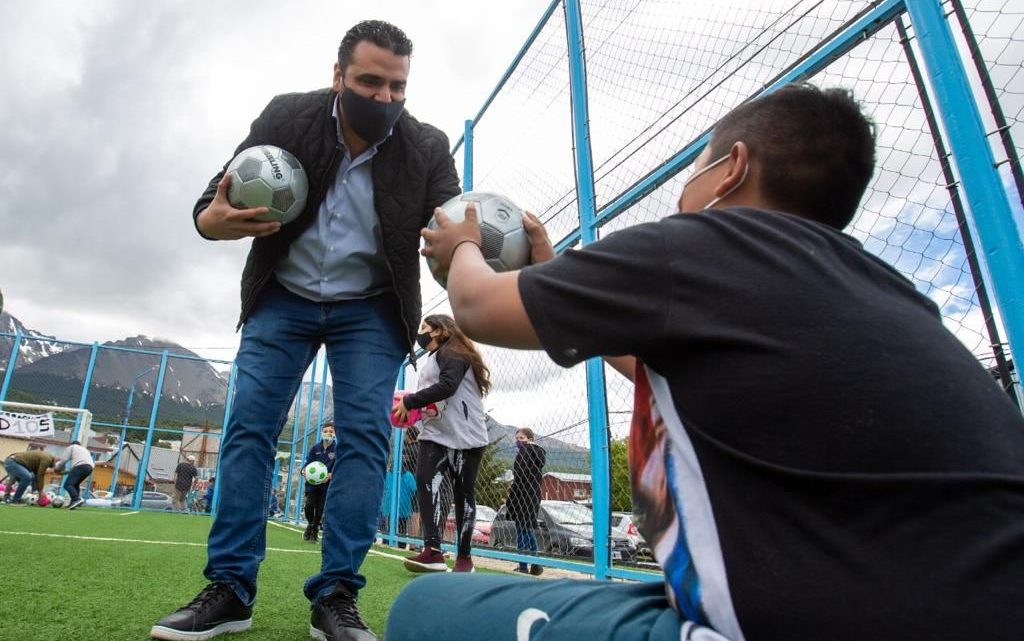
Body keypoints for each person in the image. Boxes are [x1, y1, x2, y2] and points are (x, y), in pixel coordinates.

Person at [388, 83, 1024, 641]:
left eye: (696, 165)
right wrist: (555, 273)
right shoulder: (892, 292)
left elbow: (476, 305)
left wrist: (464, 242)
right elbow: (661, 368)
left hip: (823, 621)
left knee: (426, 611)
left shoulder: (696, 247)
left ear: (731, 168)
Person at [150, 19, 460, 641]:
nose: (385, 99)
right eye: (370, 82)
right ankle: (231, 589)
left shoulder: (426, 147)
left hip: (371, 308)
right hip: (282, 298)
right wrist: (213, 221)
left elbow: (454, 229)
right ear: (338, 75)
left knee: (366, 440)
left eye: (397, 86)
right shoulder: (287, 118)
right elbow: (211, 205)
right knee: (249, 430)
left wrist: (478, 253)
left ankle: (337, 596)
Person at [393, 314, 491, 574]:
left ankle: (464, 558)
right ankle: (433, 551)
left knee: (463, 495)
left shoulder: (454, 353)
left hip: (466, 437)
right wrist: (414, 410)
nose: (421, 332)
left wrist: (410, 401)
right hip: (435, 434)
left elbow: (447, 386)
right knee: (426, 486)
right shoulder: (432, 358)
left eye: (424, 327)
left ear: (438, 331)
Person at [507, 427, 545, 575]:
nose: (519, 441)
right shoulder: (538, 454)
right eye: (517, 438)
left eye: (521, 438)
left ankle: (524, 566)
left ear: (530, 439)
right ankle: (535, 564)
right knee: (527, 529)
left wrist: (514, 487)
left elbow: (520, 473)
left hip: (522, 495)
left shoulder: (525, 451)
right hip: (532, 496)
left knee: (522, 531)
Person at [302, 421, 337, 543]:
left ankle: (315, 530)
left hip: (326, 485)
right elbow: (307, 464)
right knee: (308, 507)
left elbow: (338, 467)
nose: (328, 433)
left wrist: (331, 475)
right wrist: (303, 471)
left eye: (331, 431)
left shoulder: (337, 450)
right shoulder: (315, 448)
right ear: (322, 433)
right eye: (325, 431)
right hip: (312, 484)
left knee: (320, 508)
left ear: (335, 434)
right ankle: (311, 524)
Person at [61, 439, 95, 510]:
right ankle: (74, 502)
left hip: (80, 466)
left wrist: (57, 467)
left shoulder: (72, 447)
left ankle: (76, 499)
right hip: (90, 468)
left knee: (68, 485)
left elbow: (64, 460)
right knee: (75, 484)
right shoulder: (84, 450)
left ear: (72, 444)